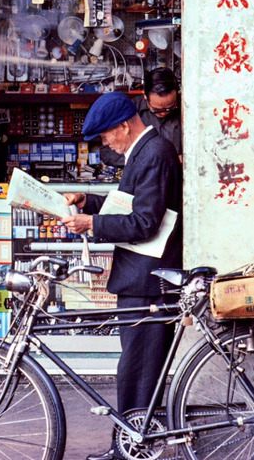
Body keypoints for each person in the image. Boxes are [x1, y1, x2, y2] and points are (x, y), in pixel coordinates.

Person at [60, 92, 183, 460]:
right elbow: (131, 204)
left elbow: (144, 221)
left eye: (106, 136)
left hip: (149, 283)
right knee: (134, 370)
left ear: (124, 125)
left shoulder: (154, 153)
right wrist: (91, 203)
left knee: (138, 372)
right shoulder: (145, 152)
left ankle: (131, 449)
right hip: (140, 279)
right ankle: (129, 446)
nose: (105, 144)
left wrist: (91, 223)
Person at [102, 68, 182, 167]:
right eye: (156, 109)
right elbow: (107, 154)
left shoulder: (187, 110)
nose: (163, 113)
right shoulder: (129, 112)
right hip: (142, 176)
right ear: (145, 95)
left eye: (170, 108)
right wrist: (147, 160)